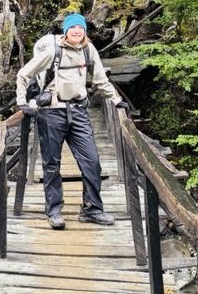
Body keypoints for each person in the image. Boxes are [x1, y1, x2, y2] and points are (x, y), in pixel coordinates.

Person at [16, 13, 130, 230]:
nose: (77, 31)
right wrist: (22, 103)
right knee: (52, 165)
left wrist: (116, 100)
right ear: (66, 30)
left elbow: (100, 80)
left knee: (92, 162)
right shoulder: (53, 51)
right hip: (51, 113)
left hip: (78, 112)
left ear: (85, 30)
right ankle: (54, 211)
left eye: (80, 27)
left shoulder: (89, 50)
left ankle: (92, 210)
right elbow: (23, 74)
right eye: (73, 27)